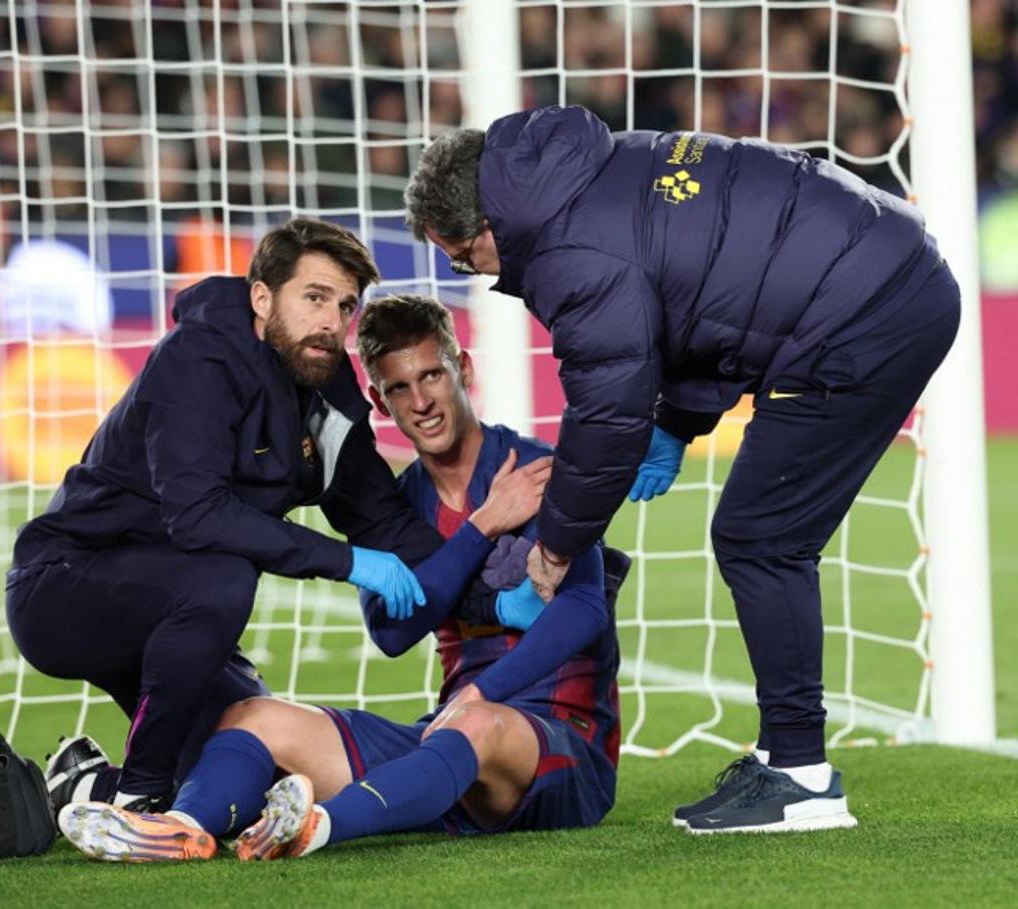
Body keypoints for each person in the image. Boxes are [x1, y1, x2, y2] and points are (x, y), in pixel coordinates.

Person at [403, 105, 961, 834]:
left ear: (481, 229)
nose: (467, 272)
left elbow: (606, 412)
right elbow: (708, 297)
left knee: (761, 537)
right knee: (759, 532)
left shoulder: (565, 251)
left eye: (458, 256)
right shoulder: (586, 169)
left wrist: (557, 545)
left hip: (864, 308)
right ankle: (784, 758)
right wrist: (675, 422)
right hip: (883, 266)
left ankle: (801, 777)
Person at [57, 293, 627, 862]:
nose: (422, 401)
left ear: (465, 370)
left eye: (433, 374)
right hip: (449, 745)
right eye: (399, 388)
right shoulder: (397, 507)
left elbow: (584, 611)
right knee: (253, 717)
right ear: (378, 400)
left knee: (476, 725)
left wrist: (477, 694)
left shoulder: (536, 470)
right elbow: (391, 633)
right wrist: (480, 530)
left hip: (560, 751)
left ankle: (317, 827)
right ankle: (180, 828)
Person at [6, 218, 448, 814]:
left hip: (177, 610)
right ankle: (139, 793)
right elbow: (198, 516)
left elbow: (380, 517)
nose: (331, 321)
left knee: (253, 766)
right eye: (314, 297)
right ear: (262, 298)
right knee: (224, 576)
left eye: (345, 306)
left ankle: (82, 786)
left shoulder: (328, 387)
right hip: (66, 588)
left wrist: (493, 584)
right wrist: (347, 563)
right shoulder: (197, 357)